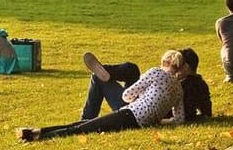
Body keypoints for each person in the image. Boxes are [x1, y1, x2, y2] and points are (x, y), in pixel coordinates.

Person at [19, 50, 187, 141]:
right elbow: (179, 119)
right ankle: (37, 131)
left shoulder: (155, 73)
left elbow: (127, 95)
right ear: (178, 68)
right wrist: (159, 119)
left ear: (164, 62)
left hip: (131, 113)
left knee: (82, 128)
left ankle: (36, 135)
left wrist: (142, 96)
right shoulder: (179, 89)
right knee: (84, 126)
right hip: (143, 122)